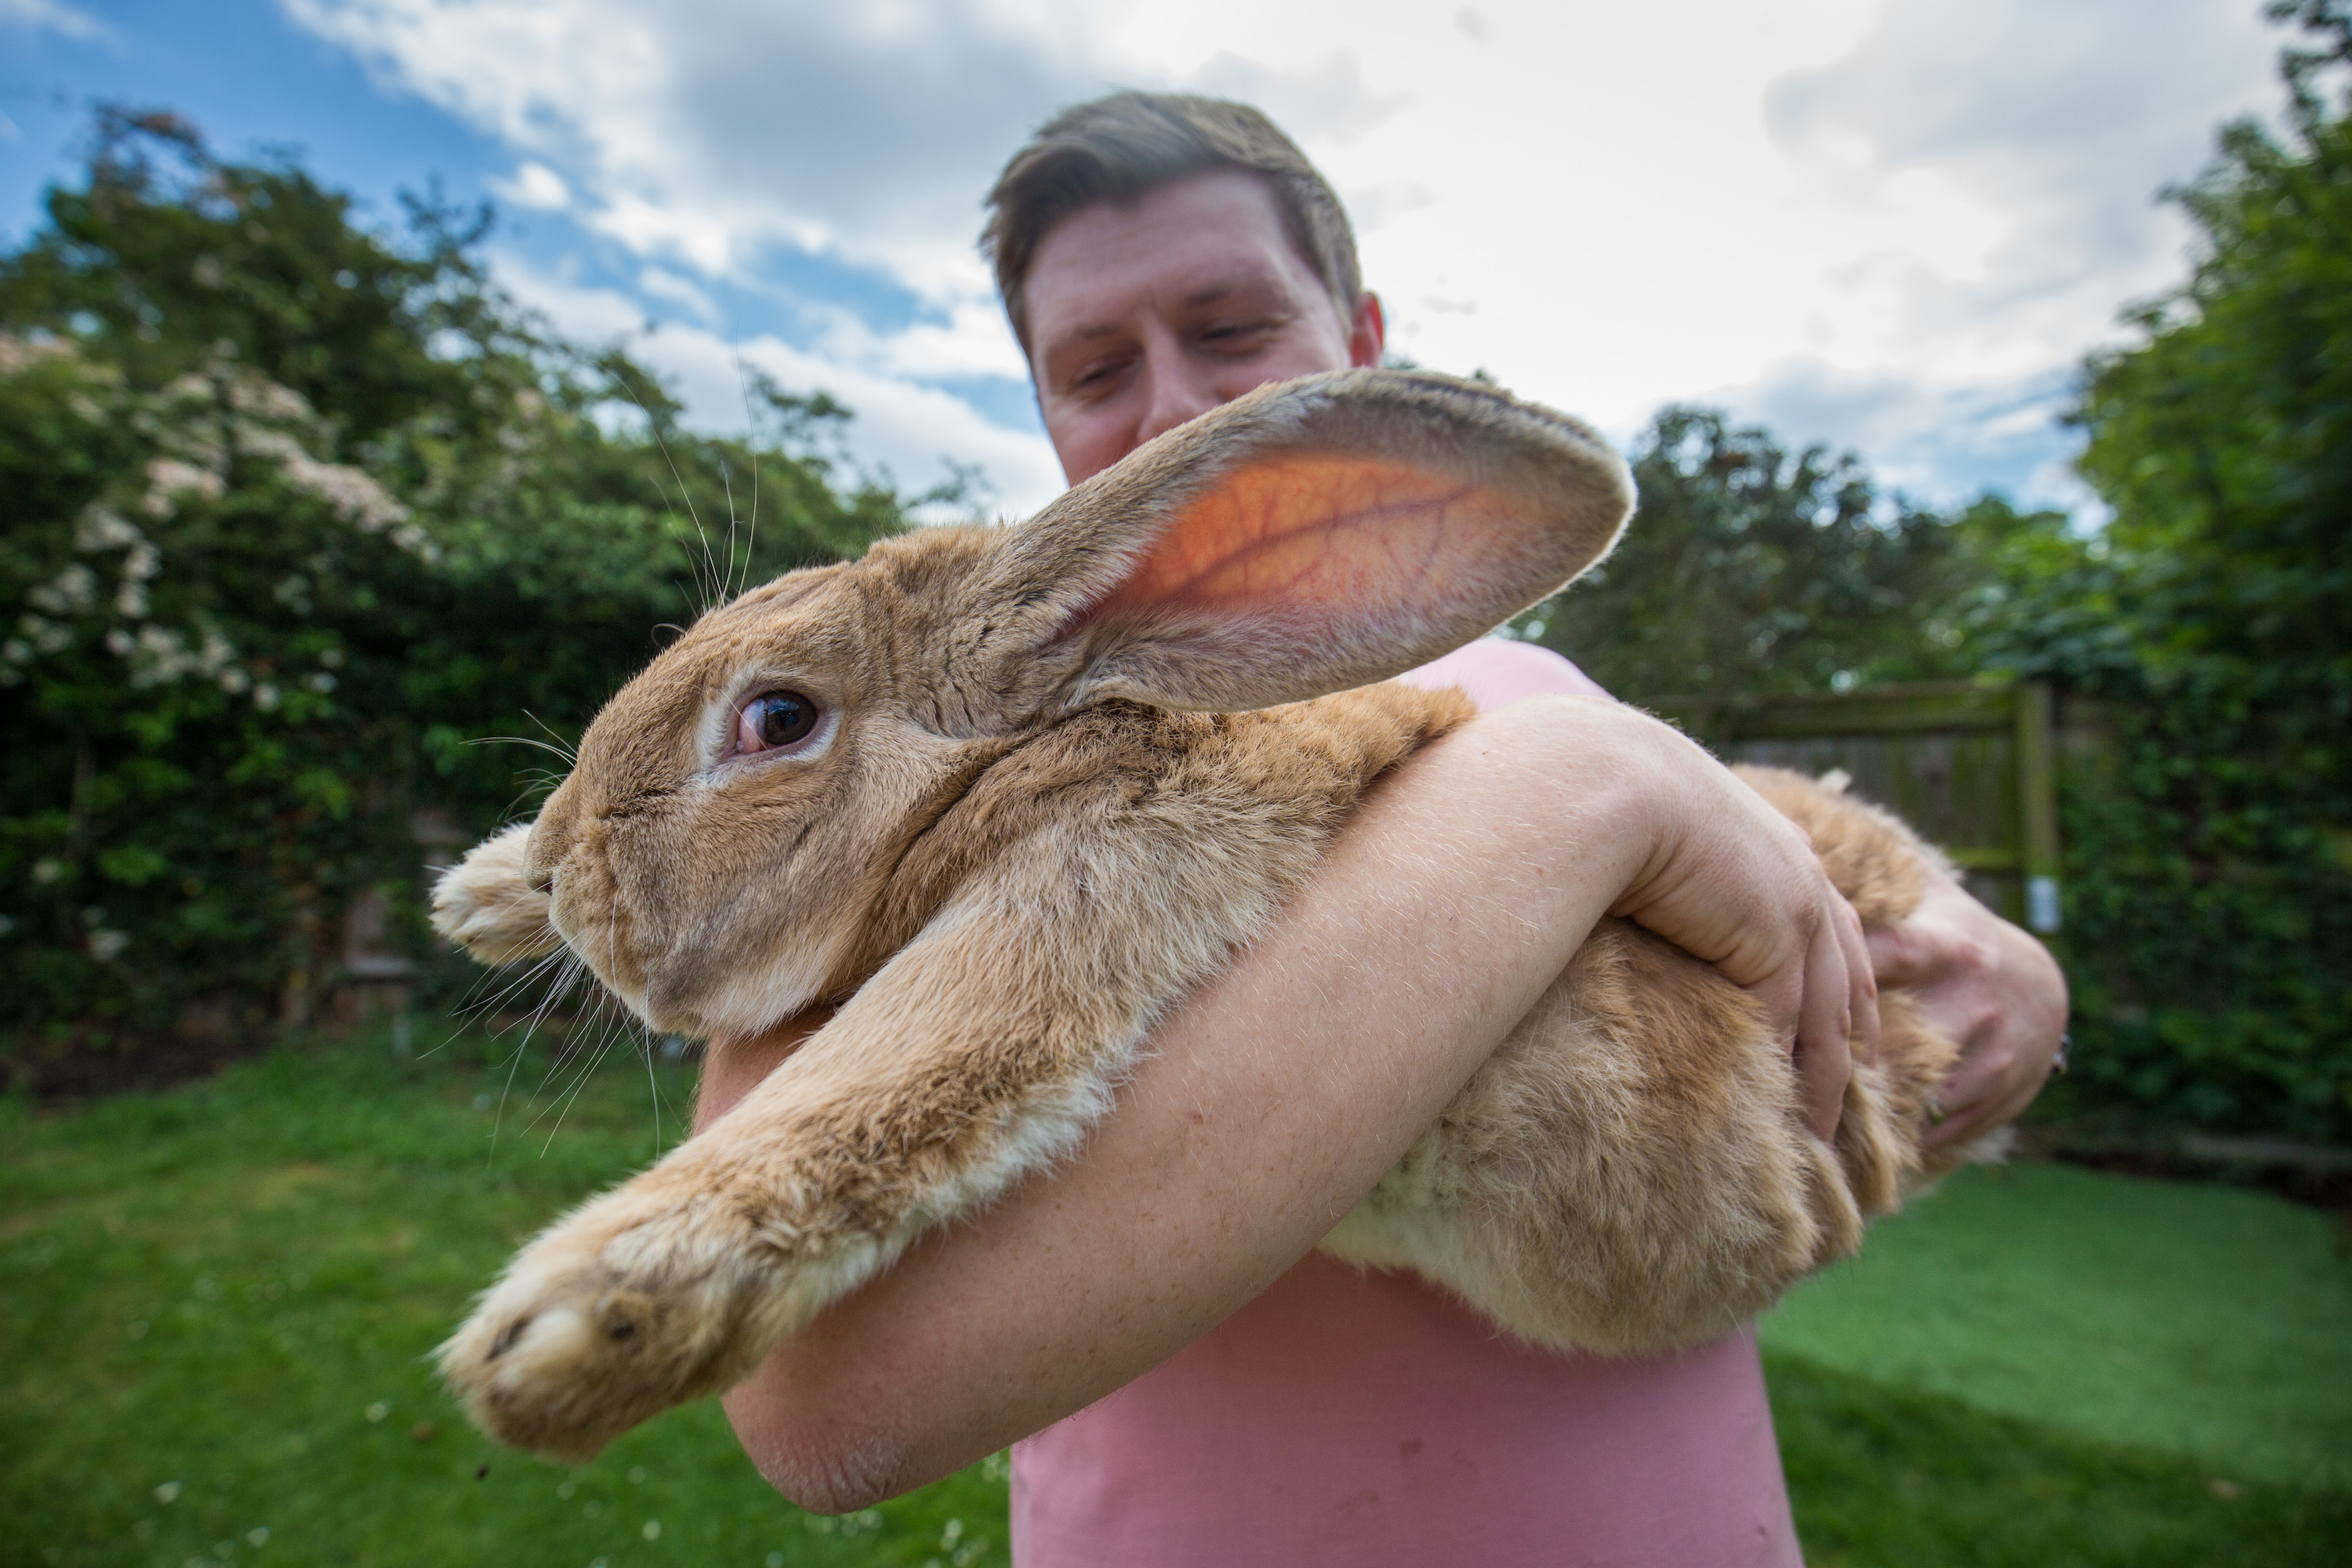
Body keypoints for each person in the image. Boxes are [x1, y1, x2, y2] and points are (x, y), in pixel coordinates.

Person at [694, 93, 2068, 1564]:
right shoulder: (932, 772)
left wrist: (2020, 982)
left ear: (1360, 345)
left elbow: (1814, 960)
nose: (1172, 408)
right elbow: (813, 1403)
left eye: (1229, 331)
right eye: (1096, 367)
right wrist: (1584, 799)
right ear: (1044, 415)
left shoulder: (1540, 691)